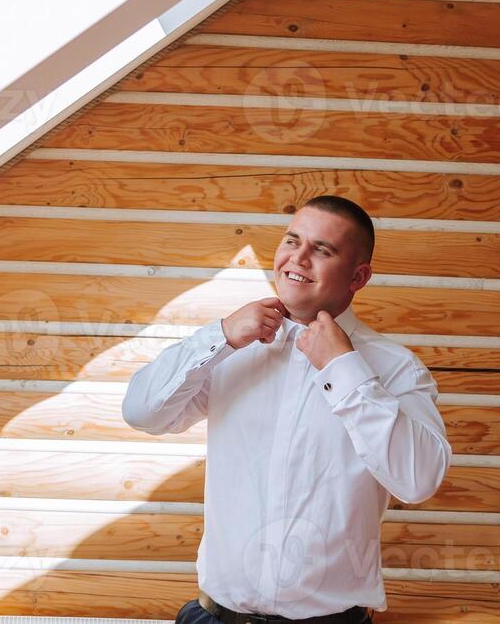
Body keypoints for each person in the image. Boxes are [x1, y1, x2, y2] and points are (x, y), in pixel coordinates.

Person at [121, 195, 452, 624]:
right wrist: (219, 334)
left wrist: (343, 369)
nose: (297, 258)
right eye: (292, 241)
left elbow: (419, 480)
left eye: (322, 249)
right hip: (214, 617)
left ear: (359, 276)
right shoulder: (229, 351)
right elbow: (142, 412)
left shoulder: (394, 369)